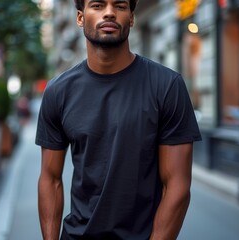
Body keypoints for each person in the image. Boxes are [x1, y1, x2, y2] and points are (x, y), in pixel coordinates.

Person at [36, 0, 202, 239]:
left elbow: (177, 186)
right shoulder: (58, 92)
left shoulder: (167, 86)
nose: (110, 13)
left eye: (120, 6)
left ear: (132, 18)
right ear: (80, 18)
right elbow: (50, 180)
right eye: (97, 5)